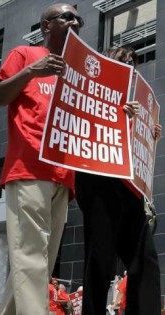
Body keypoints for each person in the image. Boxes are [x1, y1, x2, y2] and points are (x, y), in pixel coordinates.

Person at [0, 3, 82, 314]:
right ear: (45, 26)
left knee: (36, 263)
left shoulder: (78, 69)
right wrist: (31, 72)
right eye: (67, 16)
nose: (76, 21)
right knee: (31, 257)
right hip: (28, 168)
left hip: (64, 177)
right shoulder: (24, 55)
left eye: (78, 17)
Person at [76, 47, 162, 315]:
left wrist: (150, 132)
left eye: (134, 62)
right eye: (124, 60)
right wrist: (116, 112)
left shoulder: (138, 97)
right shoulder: (90, 86)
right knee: (100, 258)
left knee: (145, 260)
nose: (130, 65)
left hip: (131, 189)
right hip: (99, 181)